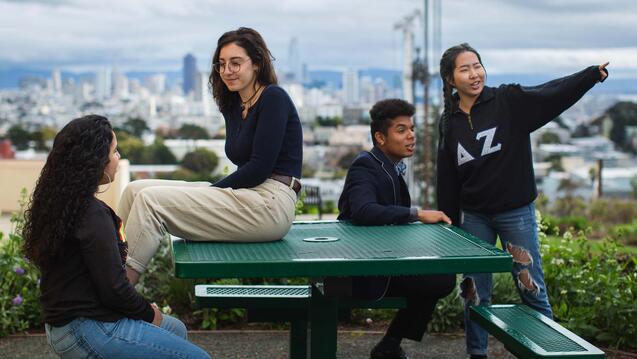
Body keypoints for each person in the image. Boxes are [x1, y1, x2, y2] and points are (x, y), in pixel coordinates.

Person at [436, 43, 608, 359]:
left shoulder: (507, 100)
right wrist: (447, 227)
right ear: (450, 78)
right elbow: (446, 177)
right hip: (474, 217)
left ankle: (551, 352)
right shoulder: (448, 121)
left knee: (531, 289)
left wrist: (588, 76)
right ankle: (477, 353)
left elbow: (550, 93)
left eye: (477, 65)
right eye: (465, 69)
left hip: (515, 213)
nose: (474, 74)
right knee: (474, 294)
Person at [118, 27, 303, 285]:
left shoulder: (273, 98)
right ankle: (115, 267)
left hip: (271, 203)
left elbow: (259, 168)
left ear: (257, 64)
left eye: (236, 63)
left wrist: (213, 191)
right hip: (247, 196)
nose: (227, 71)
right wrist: (213, 191)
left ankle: (122, 290)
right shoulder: (234, 105)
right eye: (222, 64)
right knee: (134, 190)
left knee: (150, 201)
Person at [22, 115, 211, 359]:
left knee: (175, 329)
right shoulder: (92, 216)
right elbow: (115, 289)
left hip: (62, 325)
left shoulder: (58, 205)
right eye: (114, 152)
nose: (118, 158)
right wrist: (150, 313)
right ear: (96, 161)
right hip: (86, 329)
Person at [337, 99, 456, 359]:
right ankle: (390, 345)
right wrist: (416, 213)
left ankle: (390, 345)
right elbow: (363, 210)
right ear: (380, 137)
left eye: (412, 129)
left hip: (381, 260)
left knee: (440, 275)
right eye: (401, 130)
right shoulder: (365, 166)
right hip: (361, 270)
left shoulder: (389, 166)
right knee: (440, 278)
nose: (411, 135)